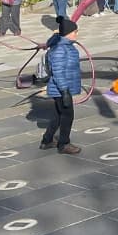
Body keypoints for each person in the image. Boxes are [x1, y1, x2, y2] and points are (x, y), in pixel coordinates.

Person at [39, 17, 82, 154]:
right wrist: (64, 92)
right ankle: (64, 144)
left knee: (58, 115)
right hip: (61, 89)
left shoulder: (65, 46)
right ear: (67, 34)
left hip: (63, 88)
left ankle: (47, 140)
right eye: (75, 32)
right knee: (67, 116)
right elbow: (58, 73)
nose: (77, 34)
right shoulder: (59, 49)